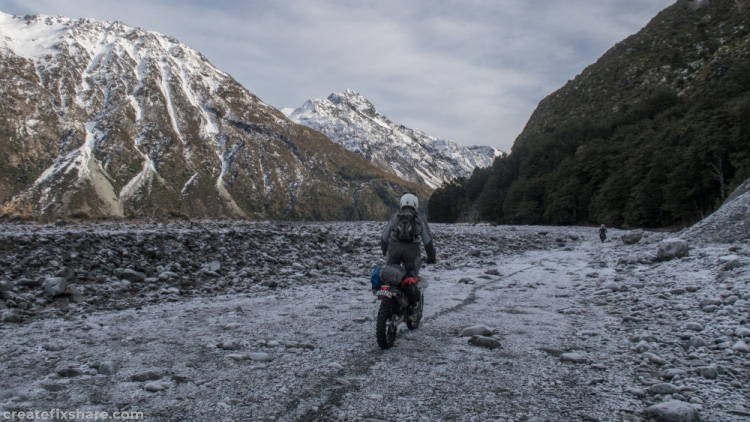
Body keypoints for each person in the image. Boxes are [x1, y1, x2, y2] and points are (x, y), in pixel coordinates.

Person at [380, 192, 436, 313]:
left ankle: (390, 302)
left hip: (393, 250)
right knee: (411, 277)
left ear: (401, 203)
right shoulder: (420, 219)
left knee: (391, 276)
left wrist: (385, 252)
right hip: (412, 252)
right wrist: (431, 257)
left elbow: (384, 238)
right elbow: (428, 241)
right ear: (415, 204)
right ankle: (410, 308)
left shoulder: (394, 217)